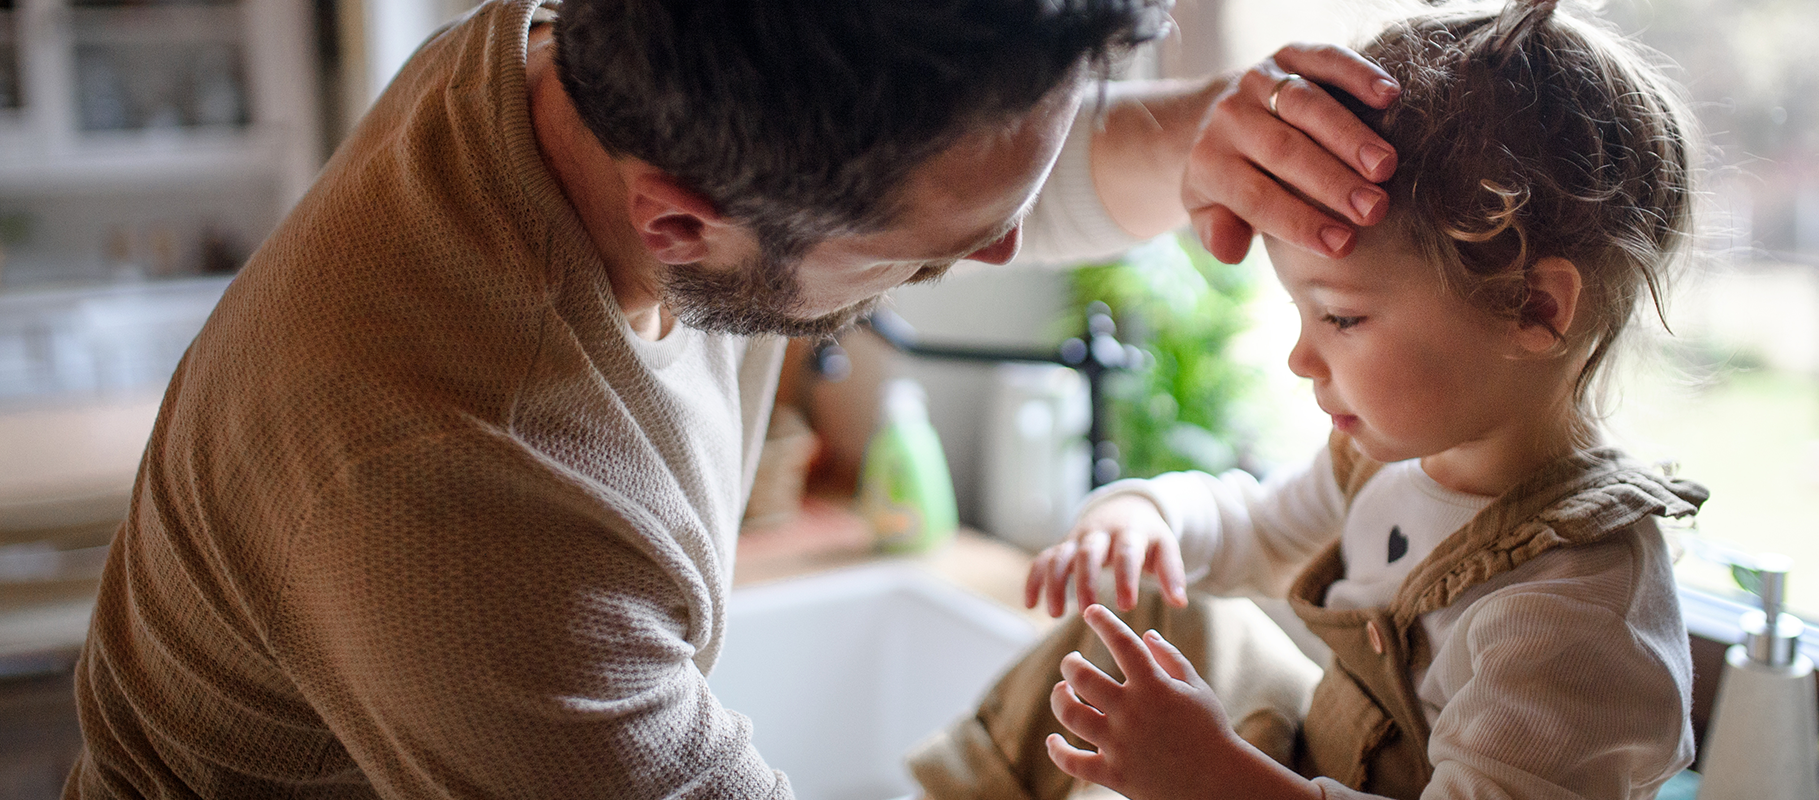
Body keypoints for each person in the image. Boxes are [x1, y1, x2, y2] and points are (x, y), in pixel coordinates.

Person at [62, 0, 1407, 797]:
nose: (992, 257)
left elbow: (981, 180)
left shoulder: (597, 63)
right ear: (682, 223)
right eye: (932, 256)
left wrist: (1226, 130)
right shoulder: (459, 485)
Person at [909, 2, 1710, 799]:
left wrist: (1213, 775)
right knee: (1151, 608)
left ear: (1535, 310)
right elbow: (1254, 528)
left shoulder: (1576, 616)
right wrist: (1146, 518)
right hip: (1312, 764)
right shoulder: (1393, 463)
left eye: (1342, 318)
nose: (1300, 358)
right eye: (1301, 313)